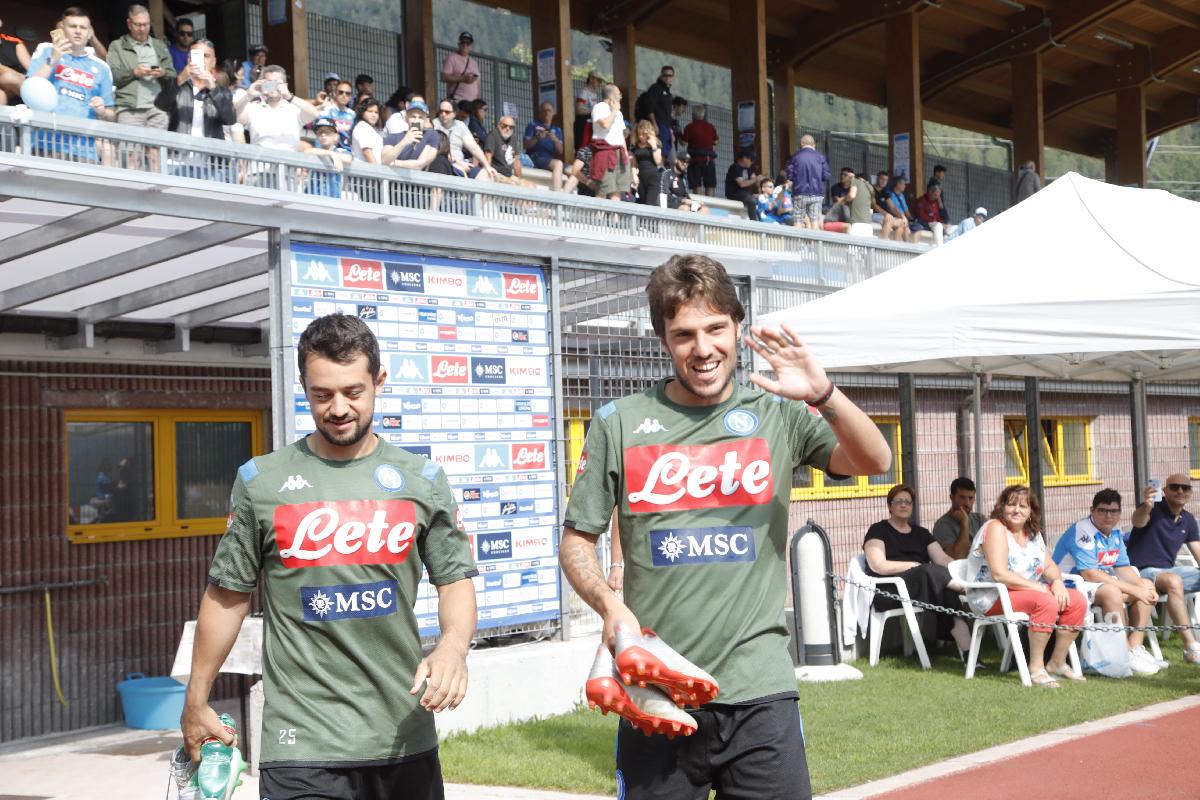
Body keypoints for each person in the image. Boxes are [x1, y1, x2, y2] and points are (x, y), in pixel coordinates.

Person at [560, 254, 891, 799]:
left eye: (716, 328)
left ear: (738, 327)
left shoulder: (778, 413)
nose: (703, 348)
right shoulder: (617, 423)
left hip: (759, 691)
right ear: (664, 340)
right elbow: (577, 542)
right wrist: (610, 606)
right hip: (656, 692)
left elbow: (874, 460)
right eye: (684, 334)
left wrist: (823, 394)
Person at [181, 313, 478, 800]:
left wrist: (452, 646)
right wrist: (196, 698)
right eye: (322, 395)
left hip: (402, 737)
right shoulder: (261, 482)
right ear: (303, 386)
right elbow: (226, 595)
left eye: (353, 392)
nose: (338, 408)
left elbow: (454, 579)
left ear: (379, 381)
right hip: (301, 745)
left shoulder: (423, 480)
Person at [965, 485, 1088, 687]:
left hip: (1025, 593)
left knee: (1077, 601)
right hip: (992, 596)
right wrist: (1038, 587)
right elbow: (999, 573)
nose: (1017, 510)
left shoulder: (1032, 533)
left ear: (1031, 511)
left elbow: (1049, 565)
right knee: (1045, 601)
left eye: (1023, 506)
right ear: (1002, 507)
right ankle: (1036, 668)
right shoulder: (995, 528)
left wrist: (1056, 582)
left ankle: (1057, 662)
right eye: (1011, 504)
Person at [1052, 489, 1164, 675]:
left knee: (1145, 584)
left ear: (1120, 513)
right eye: (1102, 510)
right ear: (1092, 510)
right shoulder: (1082, 530)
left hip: (1097, 583)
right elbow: (1089, 573)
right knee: (1114, 592)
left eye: (1113, 511)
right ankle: (1124, 652)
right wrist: (1134, 590)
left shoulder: (1115, 534)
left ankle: (1134, 647)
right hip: (1069, 584)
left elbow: (1123, 567)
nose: (1108, 516)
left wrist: (1141, 586)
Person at [864, 484, 973, 654]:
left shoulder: (921, 533)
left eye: (908, 502)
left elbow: (943, 559)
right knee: (928, 571)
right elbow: (878, 565)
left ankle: (969, 654)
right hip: (890, 590)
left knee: (945, 590)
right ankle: (964, 589)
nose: (904, 505)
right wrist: (914, 566)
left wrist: (964, 569)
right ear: (889, 506)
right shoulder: (878, 530)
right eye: (899, 501)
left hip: (924, 586)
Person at [1126, 474, 1200, 665]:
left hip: (1167, 572)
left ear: (1191, 493)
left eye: (1185, 488)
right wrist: (1147, 505)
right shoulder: (1153, 510)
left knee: (1172, 578)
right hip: (1141, 573)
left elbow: (1198, 552)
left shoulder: (1189, 520)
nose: (1180, 491)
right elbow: (1138, 521)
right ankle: (1191, 647)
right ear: (1165, 491)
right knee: (1173, 580)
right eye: (1174, 487)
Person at [27, 8, 115, 162]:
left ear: (90, 33)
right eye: (73, 26)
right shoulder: (46, 50)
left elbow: (111, 115)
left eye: (83, 27)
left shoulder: (102, 67)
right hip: (44, 142)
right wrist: (52, 60)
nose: (78, 31)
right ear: (62, 28)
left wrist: (102, 111)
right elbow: (29, 88)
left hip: (84, 150)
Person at [106, 4, 174, 130]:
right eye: (138, 25)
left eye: (146, 24)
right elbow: (112, 76)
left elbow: (172, 75)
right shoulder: (117, 46)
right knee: (130, 150)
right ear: (129, 24)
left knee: (156, 149)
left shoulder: (159, 46)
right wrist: (134, 72)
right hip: (130, 108)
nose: (142, 29)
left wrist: (162, 73)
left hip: (158, 108)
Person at [235, 65, 320, 153]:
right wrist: (248, 95)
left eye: (277, 83)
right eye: (269, 83)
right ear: (263, 84)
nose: (273, 86)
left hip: (287, 164)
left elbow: (315, 114)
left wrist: (289, 96)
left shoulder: (294, 110)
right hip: (259, 164)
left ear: (285, 85)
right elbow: (234, 116)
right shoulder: (254, 108)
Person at [433, 97, 496, 180]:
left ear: (454, 114)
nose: (443, 114)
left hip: (462, 164)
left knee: (486, 175)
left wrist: (487, 166)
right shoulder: (434, 124)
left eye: (447, 112)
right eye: (441, 111)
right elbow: (439, 151)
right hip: (443, 163)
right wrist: (458, 163)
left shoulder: (460, 126)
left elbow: (474, 147)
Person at [589, 83, 631, 201]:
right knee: (603, 190)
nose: (620, 97)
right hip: (605, 152)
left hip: (619, 152)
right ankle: (598, 219)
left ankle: (615, 219)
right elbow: (605, 125)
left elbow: (621, 135)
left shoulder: (619, 113)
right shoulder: (599, 107)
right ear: (611, 95)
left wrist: (626, 155)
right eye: (619, 94)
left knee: (617, 191)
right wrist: (613, 111)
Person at [930, 477, 985, 560]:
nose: (967, 503)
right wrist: (965, 523)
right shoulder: (942, 525)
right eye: (962, 497)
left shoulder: (980, 519)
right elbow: (957, 557)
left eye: (971, 498)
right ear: (952, 497)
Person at [785, 134, 830, 230]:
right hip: (817, 194)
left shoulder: (795, 157)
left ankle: (797, 243)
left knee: (798, 221)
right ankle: (815, 245)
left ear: (801, 144)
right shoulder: (821, 157)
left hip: (799, 192)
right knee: (815, 222)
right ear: (814, 145)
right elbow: (826, 175)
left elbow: (789, 175)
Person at [300, 115, 352, 197]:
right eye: (320, 133)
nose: (323, 135)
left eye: (327, 132)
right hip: (312, 197)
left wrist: (334, 154)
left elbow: (348, 159)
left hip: (332, 199)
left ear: (336, 136)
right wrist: (331, 154)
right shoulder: (317, 151)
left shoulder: (340, 151)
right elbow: (307, 151)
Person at [386, 99, 439, 172]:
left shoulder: (431, 135)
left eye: (420, 117)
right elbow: (384, 159)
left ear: (426, 120)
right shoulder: (393, 137)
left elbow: (420, 164)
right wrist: (404, 142)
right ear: (406, 118)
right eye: (413, 116)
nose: (416, 120)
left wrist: (394, 163)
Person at [523, 101, 564, 190]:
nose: (547, 113)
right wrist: (537, 138)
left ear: (553, 113)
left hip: (549, 159)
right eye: (544, 111)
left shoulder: (557, 129)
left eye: (549, 110)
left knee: (574, 170)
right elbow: (525, 145)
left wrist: (555, 140)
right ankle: (559, 197)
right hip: (536, 158)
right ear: (540, 113)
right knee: (558, 164)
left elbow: (560, 151)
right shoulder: (532, 125)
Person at [482, 114, 531, 186]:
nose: (508, 128)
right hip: (495, 173)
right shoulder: (493, 135)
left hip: (509, 175)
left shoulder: (513, 138)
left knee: (530, 186)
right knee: (511, 184)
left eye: (511, 127)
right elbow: (488, 156)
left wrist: (520, 180)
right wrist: (487, 175)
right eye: (504, 126)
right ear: (499, 125)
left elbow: (516, 162)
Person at [681, 104, 718, 196]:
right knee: (710, 185)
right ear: (703, 115)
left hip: (694, 160)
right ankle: (711, 207)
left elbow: (684, 142)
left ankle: (698, 207)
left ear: (693, 115)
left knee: (696, 185)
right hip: (708, 159)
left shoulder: (689, 127)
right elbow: (716, 141)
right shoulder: (710, 127)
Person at [640, 65, 675, 161]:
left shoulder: (668, 93)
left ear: (673, 77)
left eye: (670, 75)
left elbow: (668, 114)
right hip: (659, 125)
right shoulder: (655, 88)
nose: (667, 77)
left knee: (666, 151)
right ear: (661, 76)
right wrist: (654, 124)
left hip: (666, 126)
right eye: (665, 75)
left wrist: (671, 131)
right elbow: (650, 107)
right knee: (660, 150)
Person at [0, 17, 32, 106]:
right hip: (6, 87)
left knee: (9, 78)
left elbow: (32, 69)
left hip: (22, 85)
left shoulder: (14, 43)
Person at [441, 31, 479, 104]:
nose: (465, 45)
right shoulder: (451, 58)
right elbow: (443, 77)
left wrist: (477, 102)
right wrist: (462, 78)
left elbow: (478, 85)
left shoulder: (474, 63)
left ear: (472, 46)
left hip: (472, 104)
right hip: (457, 101)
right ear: (459, 44)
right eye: (462, 43)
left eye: (468, 43)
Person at [630, 120, 663, 206]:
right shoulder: (635, 146)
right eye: (639, 134)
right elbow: (634, 163)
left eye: (643, 134)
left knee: (650, 203)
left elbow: (658, 161)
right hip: (641, 177)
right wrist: (634, 175)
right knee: (642, 202)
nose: (640, 136)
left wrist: (653, 146)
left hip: (653, 177)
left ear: (648, 133)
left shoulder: (656, 143)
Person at [318, 79, 356, 147]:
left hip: (348, 151)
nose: (344, 95)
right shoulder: (327, 111)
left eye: (347, 93)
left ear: (350, 97)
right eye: (341, 92)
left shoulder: (353, 115)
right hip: (329, 150)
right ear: (335, 94)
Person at [724, 150, 760, 218]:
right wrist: (756, 179)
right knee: (751, 201)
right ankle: (754, 221)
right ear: (744, 158)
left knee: (759, 198)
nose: (752, 162)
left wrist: (760, 183)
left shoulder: (748, 169)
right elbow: (741, 184)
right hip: (734, 193)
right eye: (751, 160)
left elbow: (755, 179)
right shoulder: (734, 167)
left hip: (745, 194)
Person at [350, 96, 385, 164]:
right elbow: (367, 152)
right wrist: (377, 172)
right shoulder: (362, 127)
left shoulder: (374, 129)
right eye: (370, 111)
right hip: (366, 172)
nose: (373, 115)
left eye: (376, 112)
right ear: (362, 112)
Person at [574, 69, 604, 146]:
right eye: (598, 80)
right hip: (583, 124)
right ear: (591, 79)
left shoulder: (594, 94)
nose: (600, 84)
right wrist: (593, 110)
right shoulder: (584, 92)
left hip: (591, 124)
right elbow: (578, 110)